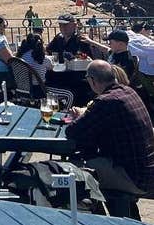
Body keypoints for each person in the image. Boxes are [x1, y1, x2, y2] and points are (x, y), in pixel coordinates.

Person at [66, 60, 154, 195]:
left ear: (92, 80)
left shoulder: (106, 101)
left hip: (133, 178)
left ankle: (91, 212)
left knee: (73, 171)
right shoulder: (128, 92)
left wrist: (81, 116)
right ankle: (118, 211)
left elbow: (73, 131)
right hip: (146, 171)